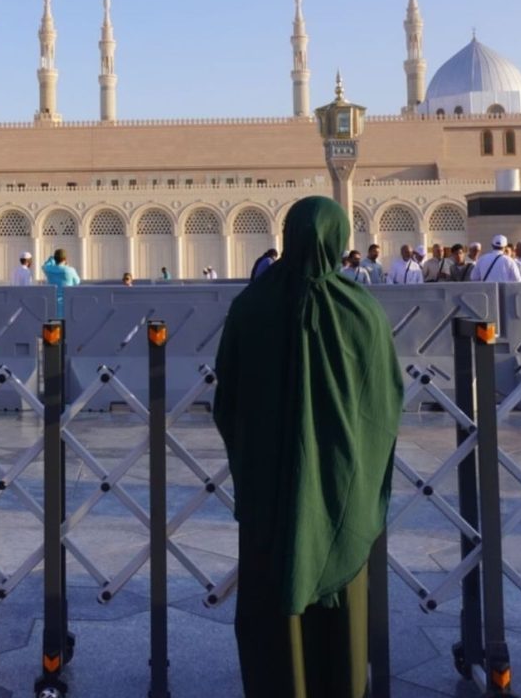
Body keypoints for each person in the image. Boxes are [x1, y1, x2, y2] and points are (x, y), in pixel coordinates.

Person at [213, 196, 402, 698]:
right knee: (340, 622)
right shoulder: (364, 313)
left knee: (270, 613)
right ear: (341, 242)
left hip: (269, 497)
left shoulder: (250, 307)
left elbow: (226, 401)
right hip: (342, 493)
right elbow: (385, 404)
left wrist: (258, 457)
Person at [43, 248, 81, 316]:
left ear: (55, 259)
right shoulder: (70, 270)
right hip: (67, 304)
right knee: (67, 325)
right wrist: (67, 266)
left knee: (52, 325)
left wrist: (50, 260)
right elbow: (77, 282)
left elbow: (44, 266)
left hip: (52, 303)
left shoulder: (49, 270)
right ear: (65, 259)